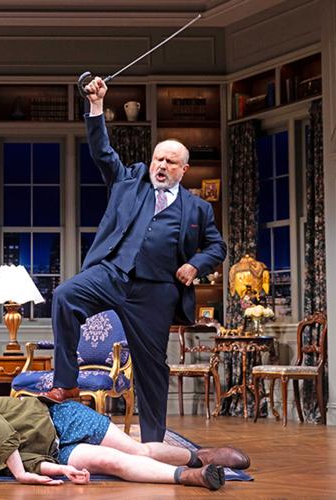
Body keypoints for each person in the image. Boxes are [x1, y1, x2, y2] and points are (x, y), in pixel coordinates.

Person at [37, 76, 226, 442]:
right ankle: (66, 383)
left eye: (170, 162)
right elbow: (102, 152)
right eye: (158, 158)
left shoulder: (198, 209)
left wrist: (195, 265)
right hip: (113, 272)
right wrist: (96, 105)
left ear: (183, 170)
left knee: (153, 366)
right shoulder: (130, 181)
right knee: (65, 295)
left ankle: (153, 441)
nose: (161, 165)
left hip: (156, 291)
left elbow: (216, 247)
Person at [0, 392, 250, 490]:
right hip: (53, 449)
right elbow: (15, 462)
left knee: (135, 448)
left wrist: (20, 475)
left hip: (57, 417)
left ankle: (198, 456)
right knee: (111, 462)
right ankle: (191, 477)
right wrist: (57, 469)